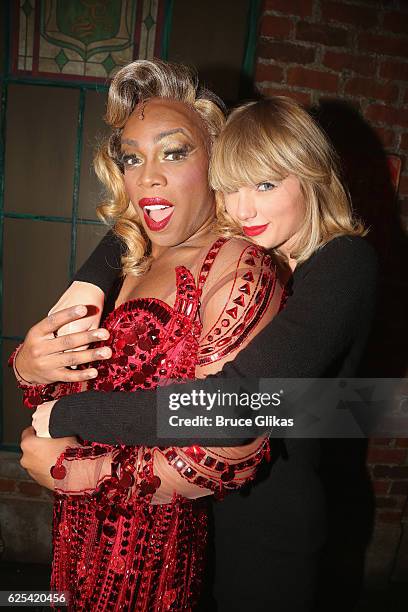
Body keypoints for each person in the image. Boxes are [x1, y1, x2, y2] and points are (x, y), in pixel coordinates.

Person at [18, 96, 377, 611]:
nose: (243, 208)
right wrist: (90, 279)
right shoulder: (264, 248)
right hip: (199, 514)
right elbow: (139, 220)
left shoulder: (345, 262)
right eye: (229, 188)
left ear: (313, 176)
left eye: (266, 184)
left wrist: (77, 418)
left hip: (270, 521)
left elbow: (235, 407)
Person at [13, 61, 285, 611]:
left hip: (148, 554)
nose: (148, 177)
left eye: (174, 151)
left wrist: (72, 473)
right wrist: (30, 365)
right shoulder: (127, 256)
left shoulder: (236, 269)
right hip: (73, 534)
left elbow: (230, 446)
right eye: (132, 158)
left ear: (216, 159)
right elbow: (63, 389)